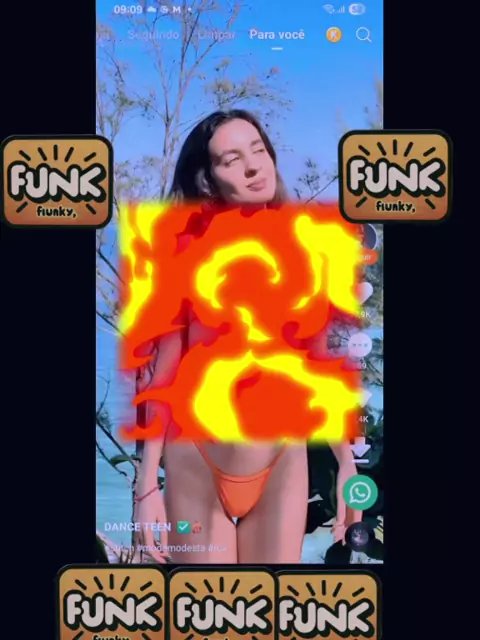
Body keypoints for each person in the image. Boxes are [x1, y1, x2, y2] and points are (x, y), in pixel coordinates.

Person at [133, 110, 359, 563]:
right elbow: (166, 372)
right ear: (208, 179)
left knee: (270, 606)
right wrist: (147, 486)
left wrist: (346, 464)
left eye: (258, 150)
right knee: (208, 609)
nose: (254, 166)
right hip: (198, 464)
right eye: (232, 159)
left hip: (282, 464)